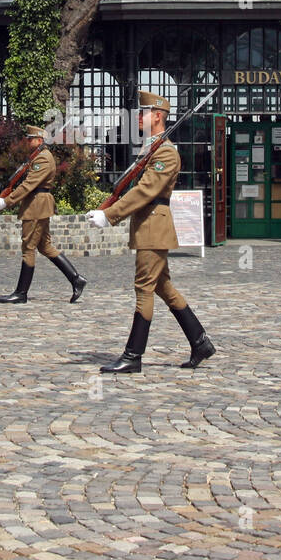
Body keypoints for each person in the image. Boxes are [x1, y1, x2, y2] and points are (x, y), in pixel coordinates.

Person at [87, 90, 214, 373]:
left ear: (157, 117)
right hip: (148, 225)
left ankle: (133, 356)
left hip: (154, 226)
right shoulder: (151, 149)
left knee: (144, 288)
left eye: (143, 113)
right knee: (163, 287)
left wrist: (110, 215)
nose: (139, 117)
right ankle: (200, 342)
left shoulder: (166, 153)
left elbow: (146, 191)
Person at [0, 124, 87, 304]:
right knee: (45, 246)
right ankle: (76, 279)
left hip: (36, 205)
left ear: (39, 140)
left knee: (28, 248)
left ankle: (21, 293)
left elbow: (29, 185)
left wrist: (7, 201)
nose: (28, 141)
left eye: (31, 139)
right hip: (38, 204)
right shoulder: (39, 157)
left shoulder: (43, 158)